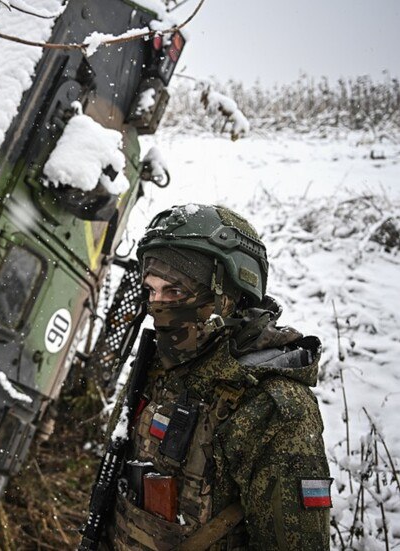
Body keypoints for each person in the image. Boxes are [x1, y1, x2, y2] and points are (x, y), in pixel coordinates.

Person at [108, 204, 331, 550]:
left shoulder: (273, 409)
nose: (159, 308)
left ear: (230, 294)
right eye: (151, 292)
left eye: (176, 291)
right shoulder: (161, 369)